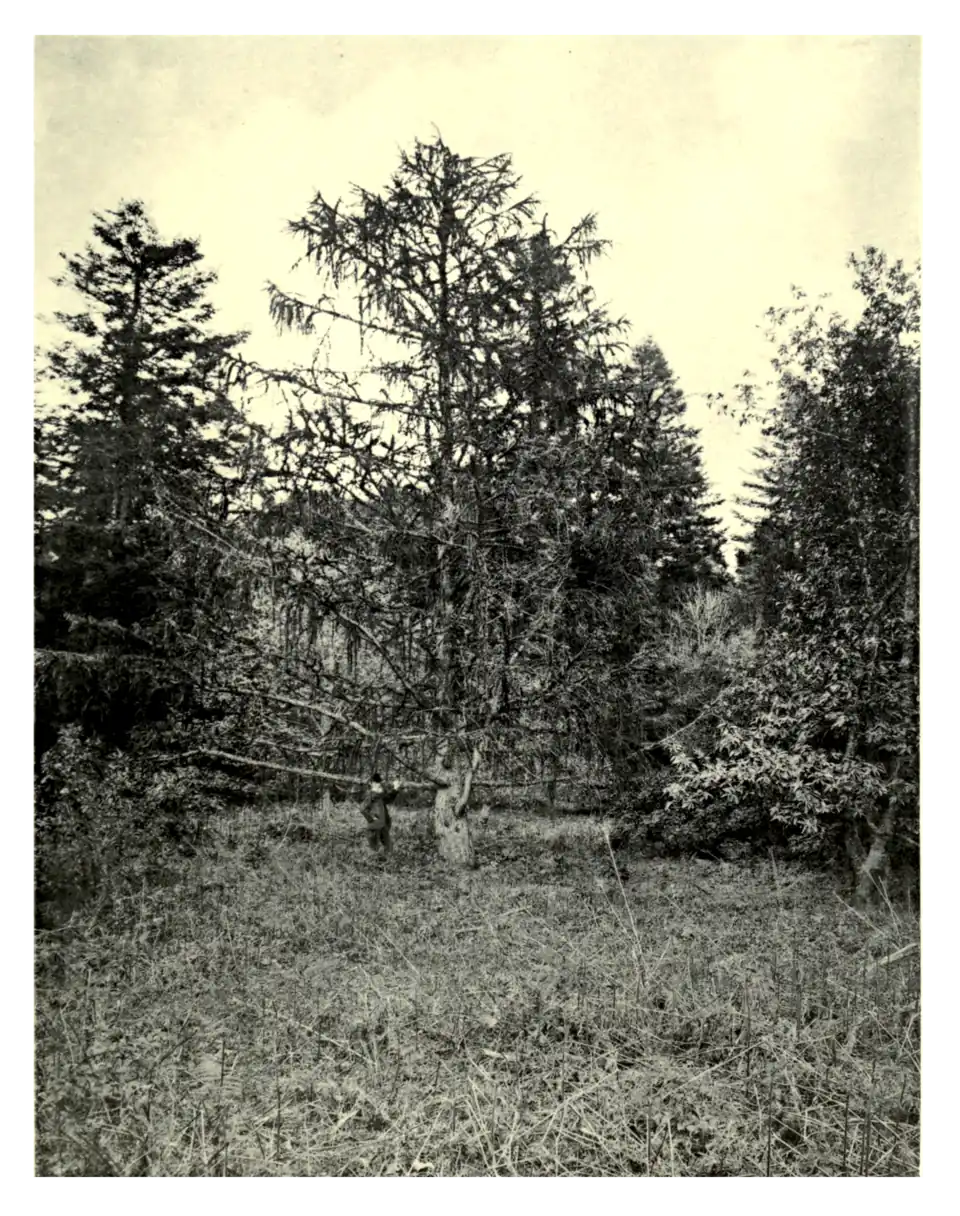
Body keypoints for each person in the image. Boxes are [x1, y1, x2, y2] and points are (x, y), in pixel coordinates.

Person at [360, 773, 399, 855]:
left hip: (383, 826)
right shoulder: (370, 796)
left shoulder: (379, 796)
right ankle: (374, 863)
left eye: (379, 784)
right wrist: (371, 819)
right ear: (372, 784)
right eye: (377, 784)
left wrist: (395, 789)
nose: (379, 786)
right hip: (374, 827)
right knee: (374, 850)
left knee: (389, 848)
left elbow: (389, 798)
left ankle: (387, 862)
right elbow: (362, 808)